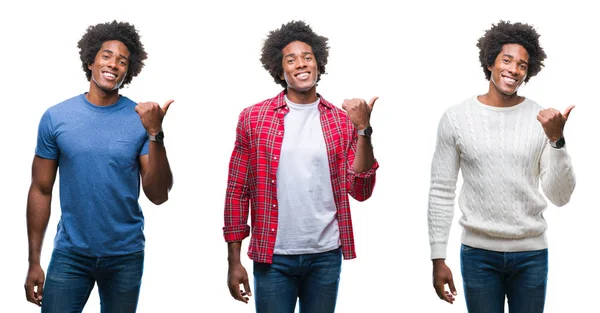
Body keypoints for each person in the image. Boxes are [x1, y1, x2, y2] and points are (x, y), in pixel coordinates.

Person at [223, 20, 379, 313]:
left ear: (319, 64)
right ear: (279, 70)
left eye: (307, 57)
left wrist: (363, 130)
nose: (300, 64)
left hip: (325, 255)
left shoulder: (342, 120)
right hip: (273, 255)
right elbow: (237, 190)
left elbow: (360, 189)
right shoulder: (253, 119)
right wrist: (234, 260)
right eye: (290, 59)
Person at [24, 20, 174, 313]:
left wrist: (156, 133)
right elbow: (41, 189)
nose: (114, 64)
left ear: (128, 72)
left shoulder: (140, 119)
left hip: (125, 255)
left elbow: (158, 194)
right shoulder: (56, 117)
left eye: (122, 61)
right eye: (107, 56)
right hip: (70, 254)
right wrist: (34, 261)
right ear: (91, 61)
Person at [427, 20, 576, 313]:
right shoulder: (457, 118)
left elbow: (560, 196)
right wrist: (437, 256)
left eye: (522, 64)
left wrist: (557, 140)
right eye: (506, 60)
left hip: (531, 255)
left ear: (528, 72)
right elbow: (441, 190)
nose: (513, 69)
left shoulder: (541, 119)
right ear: (490, 61)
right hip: (478, 255)